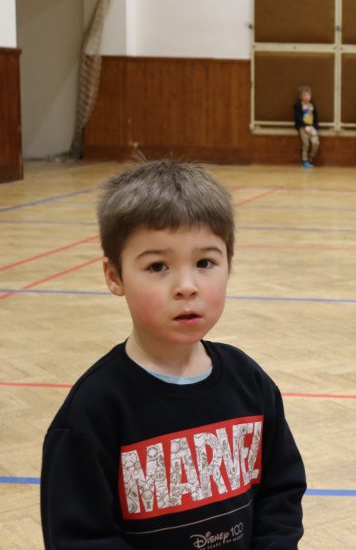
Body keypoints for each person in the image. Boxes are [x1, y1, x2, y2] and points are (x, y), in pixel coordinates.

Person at [40, 160, 306, 548]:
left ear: (229, 265)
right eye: (158, 266)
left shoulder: (249, 381)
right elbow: (80, 538)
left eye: (205, 263)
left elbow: (280, 492)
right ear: (114, 276)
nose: (186, 286)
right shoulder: (93, 411)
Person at [293, 85, 319, 168]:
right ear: (301, 97)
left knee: (315, 143)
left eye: (308, 95)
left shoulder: (312, 105)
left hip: (311, 127)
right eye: (305, 95)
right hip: (303, 127)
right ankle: (304, 160)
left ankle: (310, 158)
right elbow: (298, 117)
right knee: (306, 144)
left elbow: (315, 117)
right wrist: (304, 126)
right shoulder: (298, 106)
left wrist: (315, 127)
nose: (307, 97)